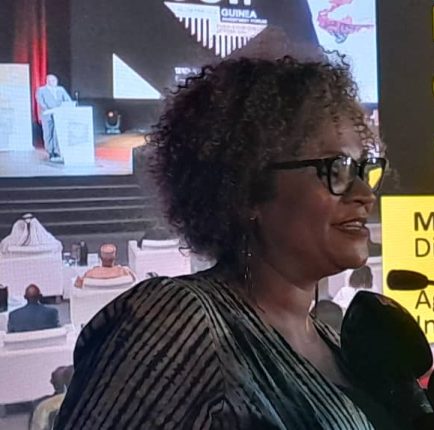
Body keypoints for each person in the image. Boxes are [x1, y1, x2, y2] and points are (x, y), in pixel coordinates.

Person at [55, 55, 396, 429]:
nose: (366, 195)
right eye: (338, 169)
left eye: (364, 170)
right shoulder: (179, 323)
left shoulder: (335, 342)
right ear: (247, 190)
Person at [35, 74, 72, 163]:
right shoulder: (41, 90)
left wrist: (68, 106)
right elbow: (40, 102)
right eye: (51, 80)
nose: (53, 82)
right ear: (47, 81)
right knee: (48, 133)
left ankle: (57, 151)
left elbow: (68, 100)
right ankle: (50, 151)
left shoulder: (61, 89)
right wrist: (48, 109)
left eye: (54, 80)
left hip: (59, 115)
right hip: (47, 115)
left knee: (57, 133)